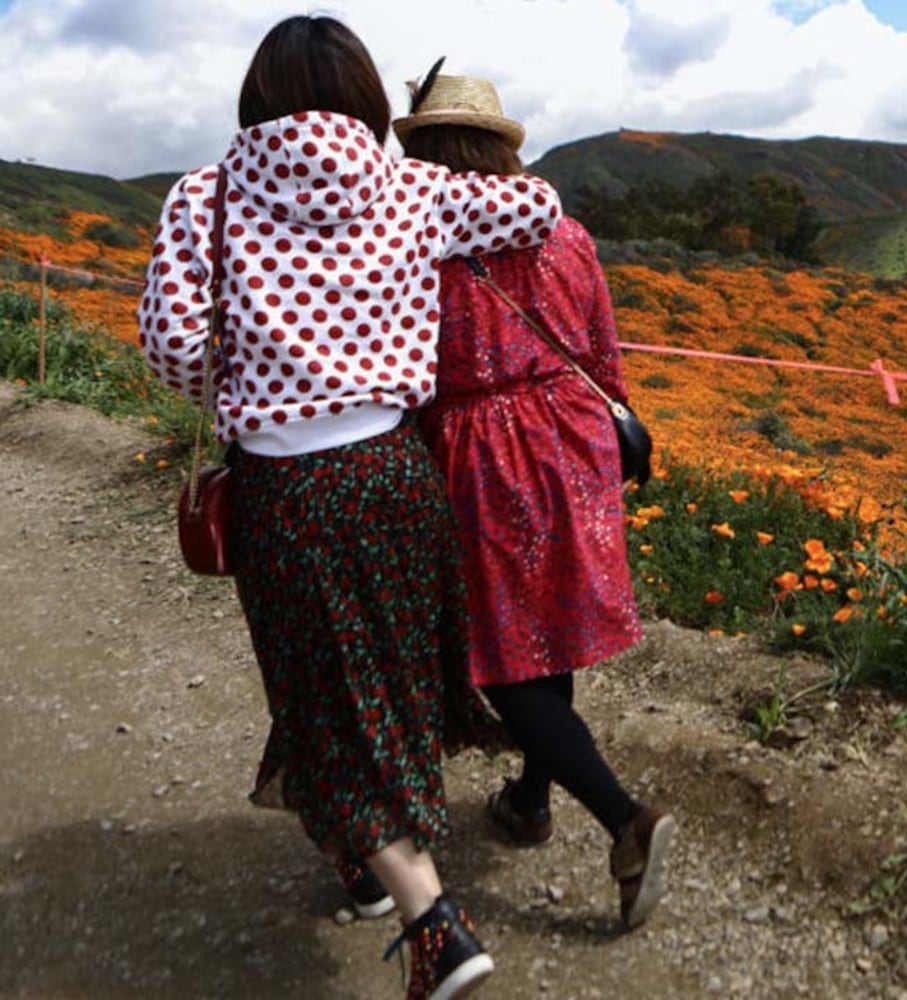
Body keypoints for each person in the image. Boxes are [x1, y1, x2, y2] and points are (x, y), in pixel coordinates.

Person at [137, 16, 563, 999]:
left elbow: (169, 351)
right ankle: (364, 869)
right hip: (397, 476)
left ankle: (432, 921)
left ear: (256, 100)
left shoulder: (207, 195)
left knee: (322, 693)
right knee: (386, 679)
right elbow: (535, 210)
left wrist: (260, 353)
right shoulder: (413, 187)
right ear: (370, 100)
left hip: (290, 492)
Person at [395, 70, 676, 931]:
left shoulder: (421, 244)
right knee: (547, 624)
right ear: (500, 147)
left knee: (497, 654)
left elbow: (410, 378)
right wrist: (609, 427)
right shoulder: (568, 232)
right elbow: (601, 350)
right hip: (575, 434)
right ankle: (531, 799)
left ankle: (626, 819)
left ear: (427, 151)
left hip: (485, 452)